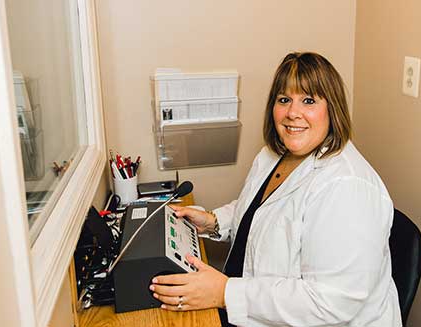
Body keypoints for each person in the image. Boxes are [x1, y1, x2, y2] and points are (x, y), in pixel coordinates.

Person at [149, 52, 402, 326]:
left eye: (308, 100)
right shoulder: (275, 154)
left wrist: (224, 293)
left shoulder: (348, 189)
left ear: (333, 109)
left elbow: (330, 303)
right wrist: (213, 221)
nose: (293, 113)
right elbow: (263, 209)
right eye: (284, 100)